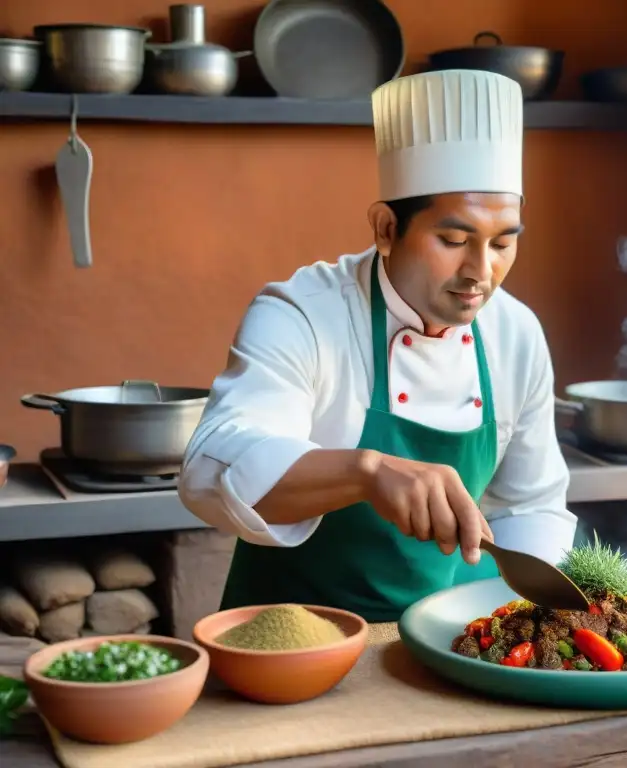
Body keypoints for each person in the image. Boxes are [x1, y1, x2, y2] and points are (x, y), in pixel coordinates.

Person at [177, 69, 578, 622]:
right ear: (386, 228)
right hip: (299, 642)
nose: (481, 272)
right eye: (454, 240)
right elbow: (208, 470)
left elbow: (531, 503)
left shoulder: (516, 333)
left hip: (447, 634)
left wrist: (529, 622)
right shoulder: (302, 314)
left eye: (503, 243)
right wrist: (368, 472)